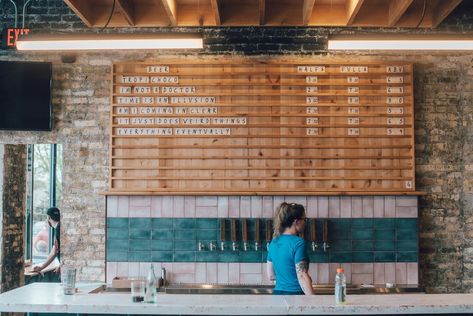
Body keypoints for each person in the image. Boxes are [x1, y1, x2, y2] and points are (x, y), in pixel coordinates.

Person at [267, 202, 314, 295]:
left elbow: (271, 275)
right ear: (297, 222)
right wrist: (314, 301)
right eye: (304, 219)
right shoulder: (298, 243)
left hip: (277, 295)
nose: (305, 222)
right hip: (295, 296)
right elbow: (302, 275)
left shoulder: (274, 242)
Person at [33, 207, 61, 277]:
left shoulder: (58, 229)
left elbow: (54, 252)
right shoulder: (60, 227)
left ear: (49, 218)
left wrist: (41, 267)